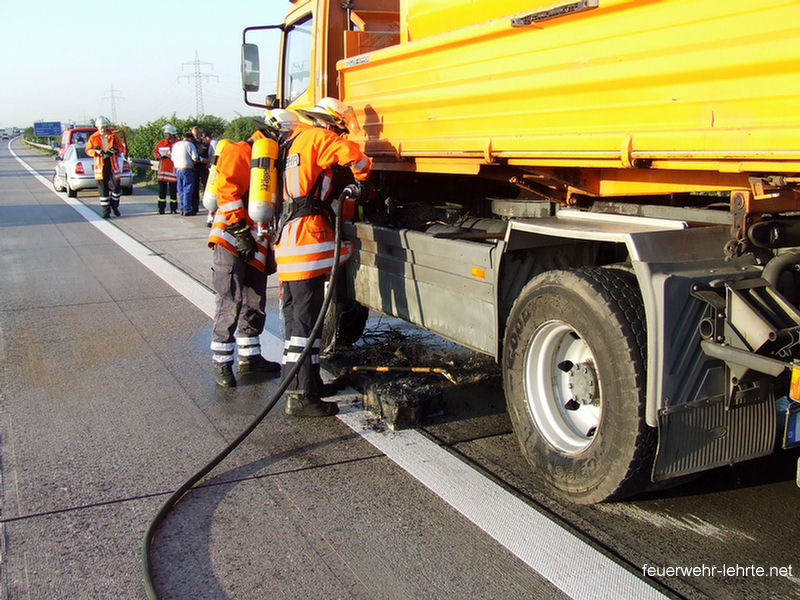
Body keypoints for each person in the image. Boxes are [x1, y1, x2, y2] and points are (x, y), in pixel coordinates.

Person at [273, 100, 372, 417]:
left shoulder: (296, 143)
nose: (337, 133)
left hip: (290, 241)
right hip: (306, 240)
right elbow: (356, 157)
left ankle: (308, 384)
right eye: (337, 128)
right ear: (329, 124)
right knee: (305, 324)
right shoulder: (318, 137)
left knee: (297, 324)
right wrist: (361, 179)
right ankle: (301, 396)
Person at [207, 127, 281, 388]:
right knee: (230, 298)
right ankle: (222, 363)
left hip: (256, 239)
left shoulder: (270, 159)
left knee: (254, 299)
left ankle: (250, 359)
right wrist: (240, 231)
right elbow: (226, 191)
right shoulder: (240, 151)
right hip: (231, 237)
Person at [85, 116, 125, 219]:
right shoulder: (93, 138)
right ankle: (105, 212)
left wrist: (116, 150)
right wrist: (96, 152)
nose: (103, 129)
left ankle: (114, 205)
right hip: (101, 165)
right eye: (101, 127)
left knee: (116, 187)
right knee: (103, 190)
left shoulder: (113, 136)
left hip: (112, 164)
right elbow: (88, 150)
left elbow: (121, 147)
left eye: (104, 127)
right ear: (97, 127)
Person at [171, 132, 199, 216]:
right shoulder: (189, 145)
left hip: (178, 170)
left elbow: (172, 158)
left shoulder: (176, 145)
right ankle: (187, 209)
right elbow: (195, 158)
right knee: (188, 189)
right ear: (190, 138)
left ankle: (182, 208)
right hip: (187, 169)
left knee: (180, 190)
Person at [153, 124, 179, 214]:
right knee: (161, 192)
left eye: (167, 133)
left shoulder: (177, 144)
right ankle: (161, 209)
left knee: (173, 192)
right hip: (162, 171)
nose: (166, 135)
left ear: (172, 134)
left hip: (173, 171)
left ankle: (173, 209)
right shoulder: (162, 142)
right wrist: (158, 156)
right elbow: (155, 152)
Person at [191, 126, 208, 215]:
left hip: (204, 167)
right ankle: (195, 207)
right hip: (195, 167)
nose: (196, 137)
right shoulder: (191, 143)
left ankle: (209, 206)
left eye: (197, 135)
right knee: (195, 188)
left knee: (206, 186)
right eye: (194, 135)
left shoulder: (205, 142)